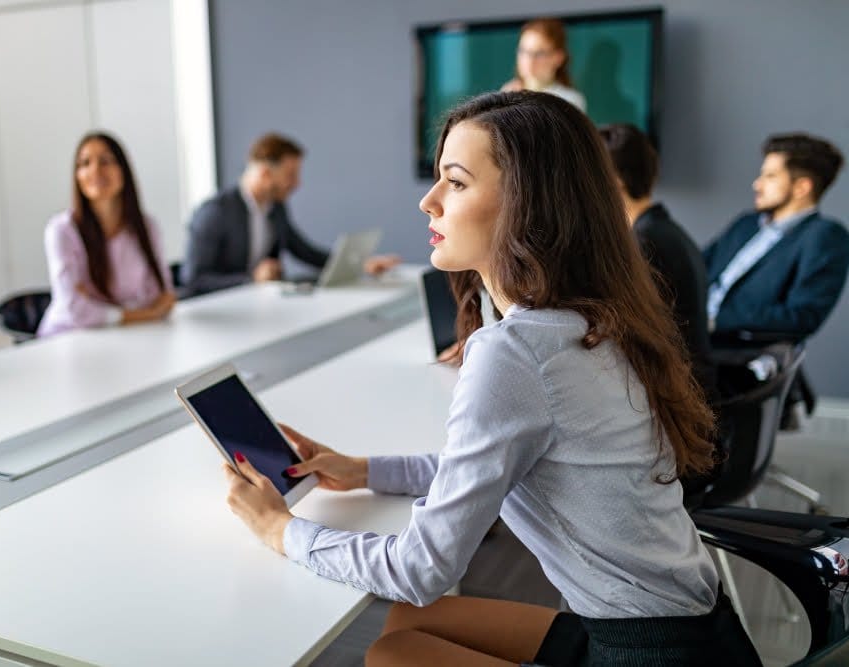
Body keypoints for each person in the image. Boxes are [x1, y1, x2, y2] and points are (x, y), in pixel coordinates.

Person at [221, 92, 760, 665]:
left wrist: (283, 531)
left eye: (455, 183)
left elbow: (419, 569)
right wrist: (362, 471)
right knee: (407, 624)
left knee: (393, 656)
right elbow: (503, 467)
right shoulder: (592, 317)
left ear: (529, 204)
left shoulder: (518, 352)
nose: (428, 202)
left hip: (650, 652)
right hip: (697, 626)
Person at [182, 133, 399, 295]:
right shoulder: (215, 212)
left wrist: (361, 263)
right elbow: (193, 280)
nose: (297, 183)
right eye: (290, 175)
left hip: (258, 306)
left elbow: (303, 250)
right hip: (224, 313)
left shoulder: (275, 208)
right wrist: (250, 279)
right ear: (265, 173)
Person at [598, 123, 716, 402]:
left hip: (676, 395)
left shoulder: (645, 242)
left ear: (615, 181)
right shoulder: (663, 230)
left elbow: (636, 335)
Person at [704, 133, 848, 341]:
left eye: (770, 176)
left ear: (801, 188)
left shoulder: (824, 236)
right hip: (686, 335)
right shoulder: (746, 224)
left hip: (733, 351)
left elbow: (803, 316)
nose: (757, 184)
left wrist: (713, 319)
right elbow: (696, 268)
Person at [37, 132, 175, 337]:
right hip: (67, 338)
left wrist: (99, 308)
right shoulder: (62, 231)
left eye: (105, 161)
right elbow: (75, 309)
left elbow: (162, 295)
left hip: (126, 337)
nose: (95, 170)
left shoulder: (146, 226)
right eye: (84, 163)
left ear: (123, 170)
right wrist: (140, 314)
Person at [500, 18, 586, 112]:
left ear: (559, 57)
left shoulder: (570, 100)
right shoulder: (507, 93)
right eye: (523, 51)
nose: (529, 60)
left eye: (540, 53)